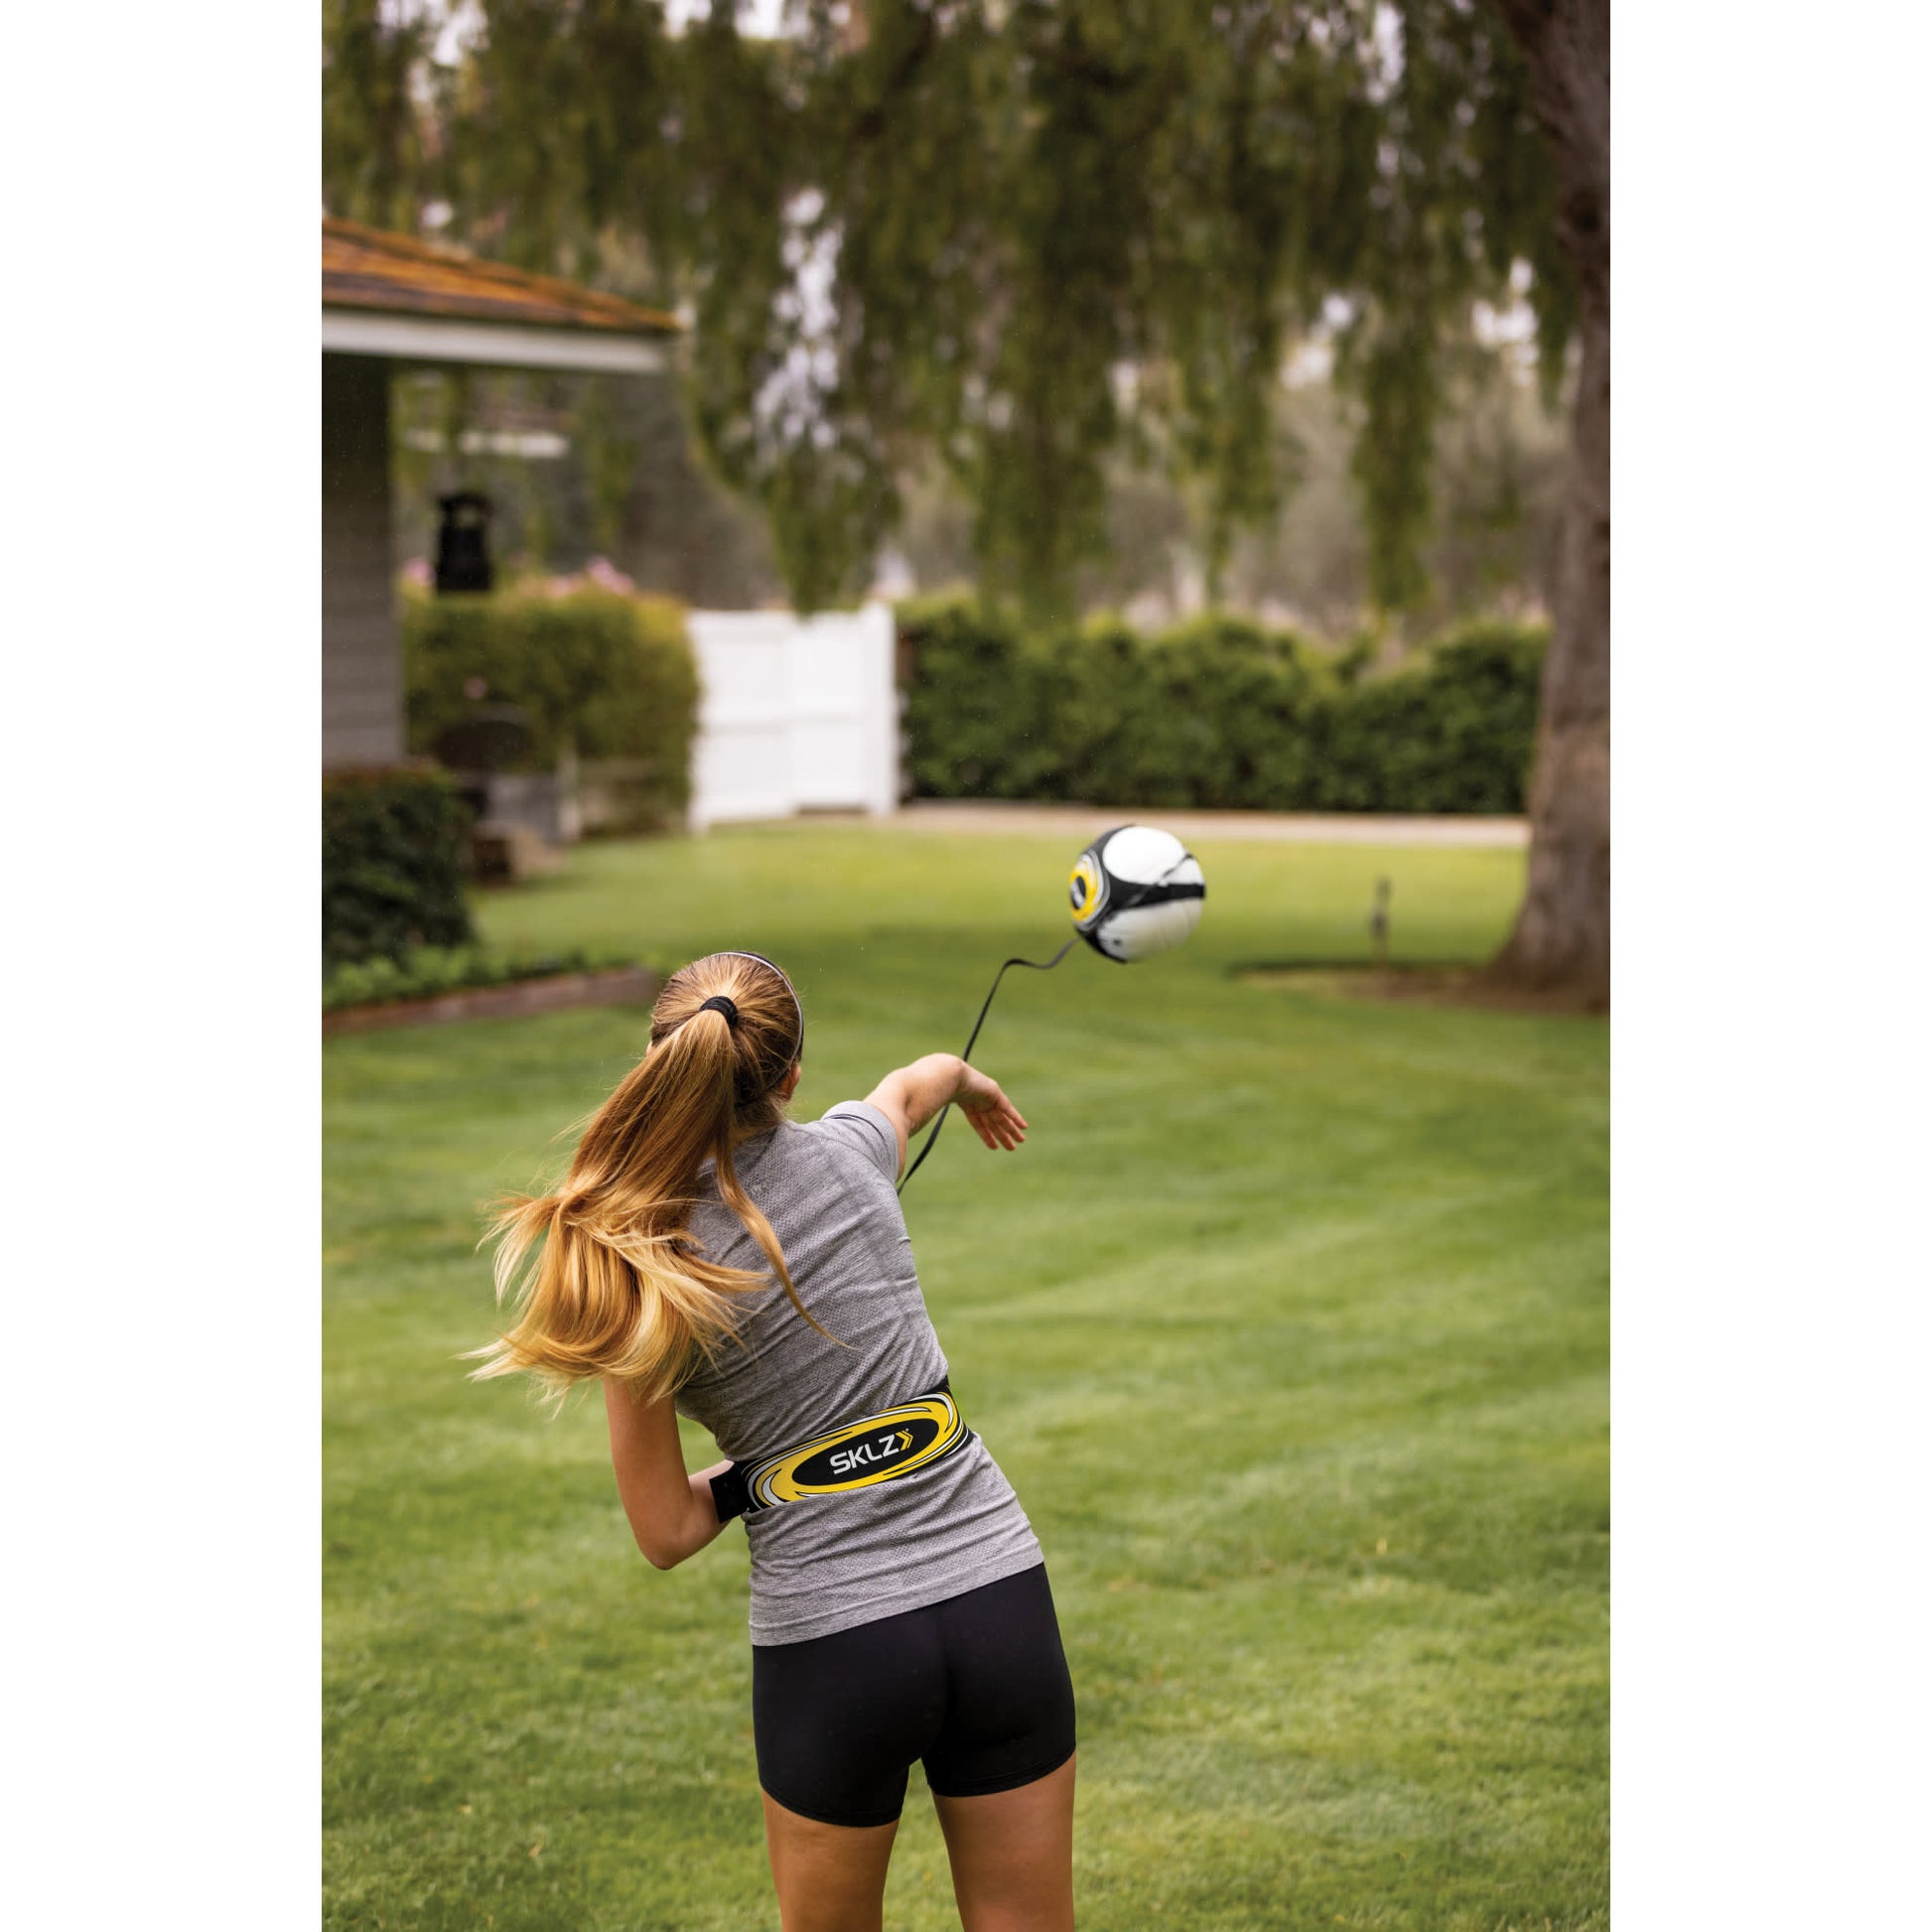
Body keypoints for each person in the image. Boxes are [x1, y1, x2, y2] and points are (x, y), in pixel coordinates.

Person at [472, 950, 1077, 1932]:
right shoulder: (852, 1149)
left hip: (835, 1642)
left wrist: (773, 1476)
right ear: (790, 1076)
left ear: (658, 1061)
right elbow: (914, 1083)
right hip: (998, 1592)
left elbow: (665, 1527)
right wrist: (970, 1082)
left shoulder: (639, 1257)